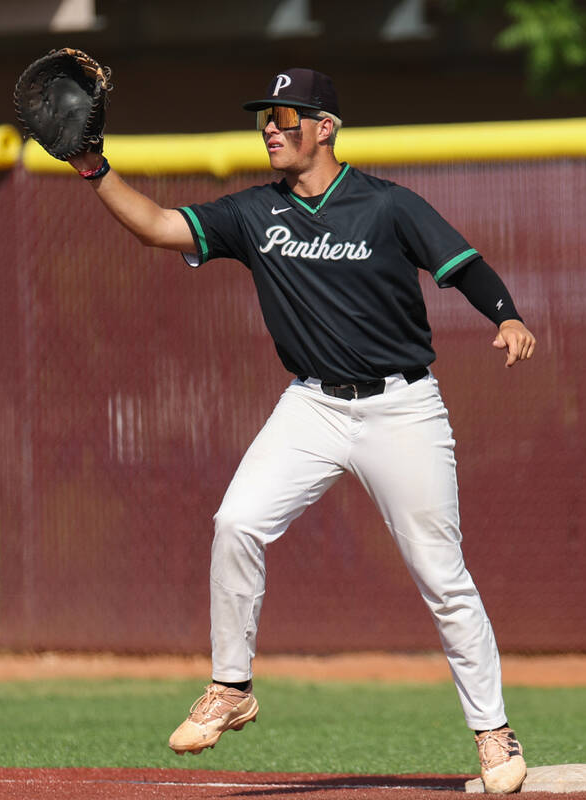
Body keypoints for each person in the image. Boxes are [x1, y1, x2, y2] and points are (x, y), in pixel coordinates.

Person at [69, 68, 536, 794]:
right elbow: (160, 227)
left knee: (443, 579)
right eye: (265, 118)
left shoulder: (387, 206)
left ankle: (493, 732)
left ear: (326, 127)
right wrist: (93, 169)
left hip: (401, 407)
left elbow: (464, 266)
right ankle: (232, 686)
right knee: (237, 522)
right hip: (312, 405)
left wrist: (503, 315)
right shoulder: (255, 212)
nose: (270, 128)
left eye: (286, 116)